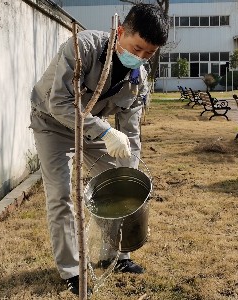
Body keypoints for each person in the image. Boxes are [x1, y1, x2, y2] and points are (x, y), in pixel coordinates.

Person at [29, 3, 169, 295]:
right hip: (52, 123)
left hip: (93, 128)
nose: (140, 58)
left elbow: (130, 131)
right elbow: (59, 103)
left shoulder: (136, 81)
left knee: (120, 179)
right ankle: (71, 270)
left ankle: (115, 255)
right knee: (61, 194)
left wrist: (130, 167)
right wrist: (105, 131)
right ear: (120, 32)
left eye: (149, 54)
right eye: (137, 48)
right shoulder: (83, 48)